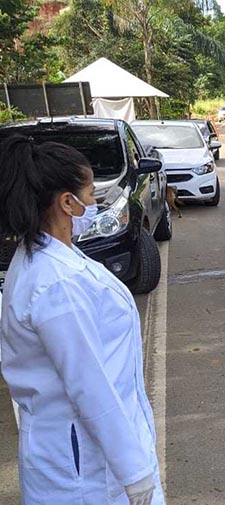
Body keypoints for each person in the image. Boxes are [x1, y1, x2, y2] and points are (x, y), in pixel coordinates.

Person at [0, 136, 163, 504]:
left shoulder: (48, 259)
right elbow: (89, 385)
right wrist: (134, 472)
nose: (93, 203)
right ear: (66, 203)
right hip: (86, 470)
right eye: (89, 194)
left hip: (75, 453)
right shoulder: (58, 284)